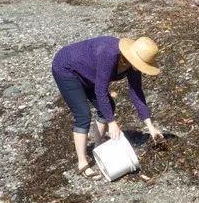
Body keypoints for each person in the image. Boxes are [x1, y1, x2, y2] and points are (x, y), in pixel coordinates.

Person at [51, 35, 164, 179]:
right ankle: (82, 163)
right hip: (67, 68)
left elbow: (136, 93)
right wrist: (112, 123)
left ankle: (99, 147)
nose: (142, 67)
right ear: (132, 56)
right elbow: (100, 91)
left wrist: (150, 127)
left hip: (90, 73)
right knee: (83, 115)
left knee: (108, 106)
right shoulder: (110, 54)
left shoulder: (133, 67)